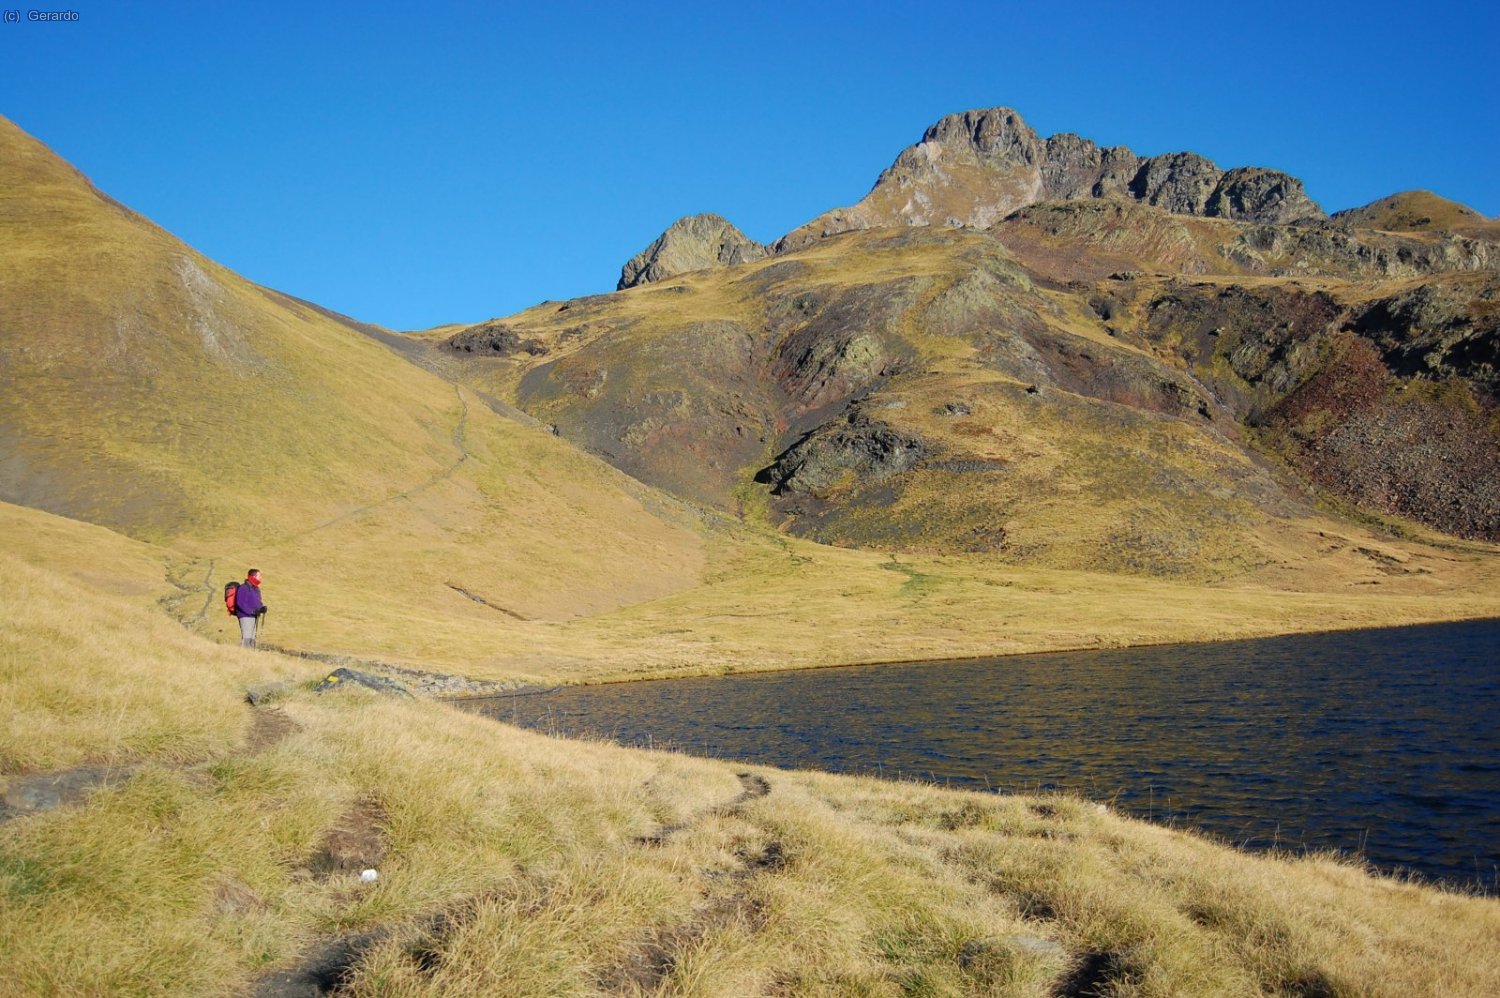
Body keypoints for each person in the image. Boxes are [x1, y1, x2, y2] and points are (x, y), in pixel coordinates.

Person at [234, 568, 268, 648]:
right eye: (259, 576)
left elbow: (257, 602)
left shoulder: (255, 589)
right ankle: (243, 656)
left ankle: (250, 656)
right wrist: (252, 611)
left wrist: (261, 608)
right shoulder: (244, 588)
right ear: (253, 576)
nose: (261, 578)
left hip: (253, 616)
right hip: (245, 616)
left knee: (252, 638)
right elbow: (240, 604)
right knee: (247, 638)